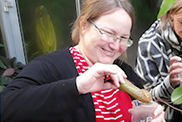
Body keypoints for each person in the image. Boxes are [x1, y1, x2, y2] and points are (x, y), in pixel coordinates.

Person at [0, 0, 165, 122]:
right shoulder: (50, 67)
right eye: (108, 33)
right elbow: (5, 108)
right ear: (84, 25)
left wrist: (152, 114)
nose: (115, 45)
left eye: (123, 38)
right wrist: (77, 86)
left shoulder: (124, 71)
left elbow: (142, 105)